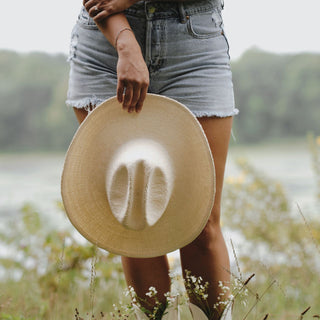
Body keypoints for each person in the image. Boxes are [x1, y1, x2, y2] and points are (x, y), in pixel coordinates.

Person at [66, 0, 238, 319]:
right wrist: (124, 42)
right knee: (134, 214)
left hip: (193, 41)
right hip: (104, 40)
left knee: (201, 223)